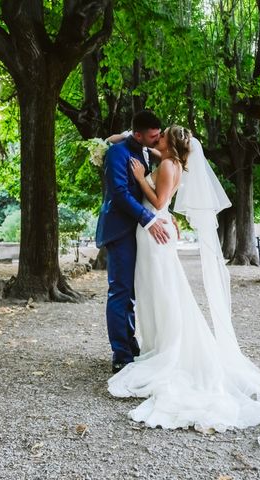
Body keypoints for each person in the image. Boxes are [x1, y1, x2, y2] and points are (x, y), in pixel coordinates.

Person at [107, 125, 260, 467]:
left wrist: (142, 178)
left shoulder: (168, 165)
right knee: (156, 290)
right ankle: (156, 343)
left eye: (160, 137)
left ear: (168, 142)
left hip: (154, 231)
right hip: (156, 230)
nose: (154, 141)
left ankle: (167, 348)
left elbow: (158, 200)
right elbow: (139, 149)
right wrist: (121, 140)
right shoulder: (170, 159)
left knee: (164, 290)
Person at [95, 110, 171, 374]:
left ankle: (130, 344)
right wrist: (148, 220)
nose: (157, 138)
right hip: (120, 231)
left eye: (159, 135)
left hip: (138, 232)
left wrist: (165, 217)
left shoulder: (146, 151)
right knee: (120, 291)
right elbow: (118, 192)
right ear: (137, 134)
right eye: (153, 136)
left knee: (133, 293)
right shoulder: (118, 153)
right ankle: (120, 354)